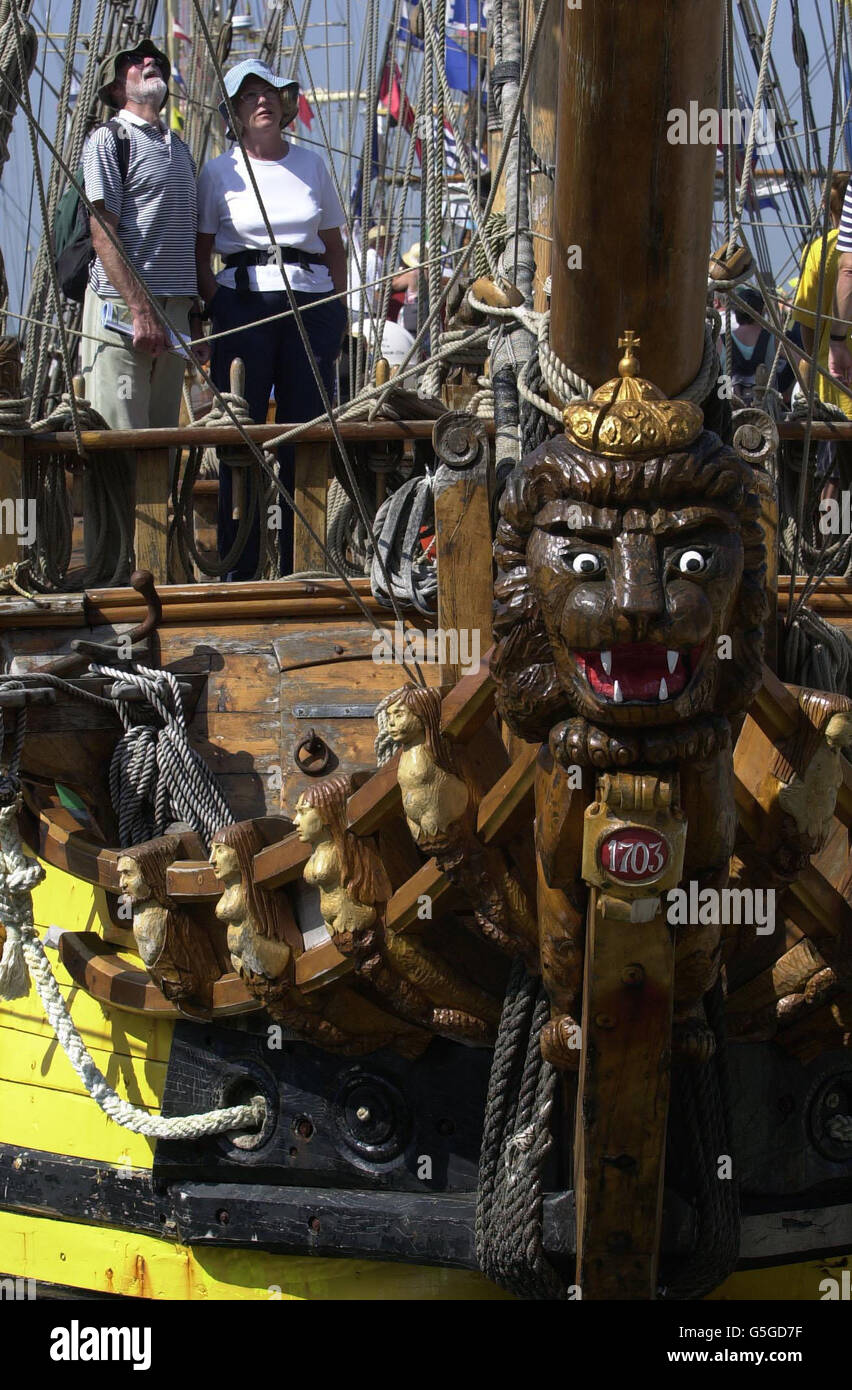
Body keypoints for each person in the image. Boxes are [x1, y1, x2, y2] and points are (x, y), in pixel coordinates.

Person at [196, 59, 347, 579]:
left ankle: (302, 562)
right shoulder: (219, 172)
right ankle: (239, 565)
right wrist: (223, 304)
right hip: (243, 306)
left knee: (305, 433)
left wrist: (335, 308)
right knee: (240, 432)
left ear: (285, 107)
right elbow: (201, 253)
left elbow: (333, 245)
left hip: (311, 306)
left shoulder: (312, 167)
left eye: (271, 93)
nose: (263, 100)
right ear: (234, 112)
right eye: (249, 94)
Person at [79, 38, 205, 580]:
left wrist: (191, 317)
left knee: (163, 450)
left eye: (153, 58)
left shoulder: (178, 147)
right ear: (115, 85)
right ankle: (113, 575)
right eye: (133, 60)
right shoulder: (108, 140)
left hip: (174, 314)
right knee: (121, 447)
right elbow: (103, 231)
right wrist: (140, 311)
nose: (147, 62)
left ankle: (155, 569)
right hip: (121, 311)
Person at [793, 172, 852, 419]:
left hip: (834, 379)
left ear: (828, 207)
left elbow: (808, 323)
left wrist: (818, 353)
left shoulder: (818, 250)